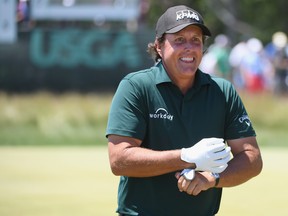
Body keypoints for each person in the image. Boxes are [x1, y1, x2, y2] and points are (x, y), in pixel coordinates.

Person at [106, 5, 263, 216]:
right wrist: (187, 157)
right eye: (179, 39)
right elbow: (119, 160)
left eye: (195, 40)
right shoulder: (136, 86)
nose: (189, 47)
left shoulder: (222, 91)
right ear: (159, 46)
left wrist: (211, 179)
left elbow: (251, 158)